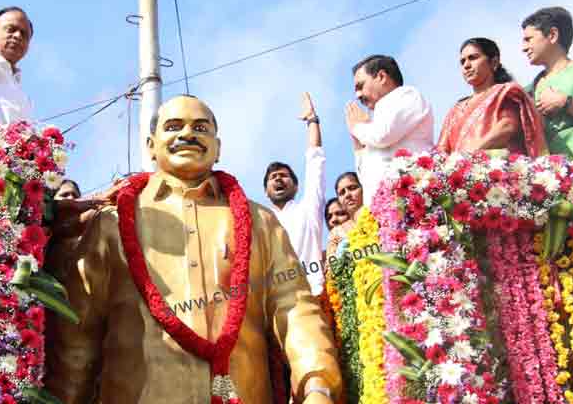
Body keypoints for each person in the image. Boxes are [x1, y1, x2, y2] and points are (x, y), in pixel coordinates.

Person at [46, 95, 342, 404]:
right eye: (174, 126)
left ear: (218, 147)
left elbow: (294, 306)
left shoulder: (260, 222)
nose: (187, 134)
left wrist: (317, 383)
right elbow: (76, 340)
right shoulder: (113, 223)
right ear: (150, 145)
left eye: (200, 127)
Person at [345, 55, 434, 206]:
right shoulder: (373, 121)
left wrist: (357, 127)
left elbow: (383, 135)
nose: (357, 95)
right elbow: (366, 175)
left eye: (360, 86)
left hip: (412, 203)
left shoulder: (407, 95)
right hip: (385, 213)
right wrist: (358, 144)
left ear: (381, 77)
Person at [437, 37, 547, 157]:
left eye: (473, 58)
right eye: (462, 61)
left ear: (494, 62)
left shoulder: (506, 92)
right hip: (457, 172)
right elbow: (441, 147)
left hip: (497, 170)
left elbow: (508, 126)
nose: (466, 65)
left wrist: (471, 152)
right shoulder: (456, 109)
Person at [263, 92, 327, 297]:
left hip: (312, 294)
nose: (278, 179)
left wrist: (312, 121)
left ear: (297, 186)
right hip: (275, 305)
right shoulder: (260, 223)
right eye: (273, 177)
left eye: (284, 176)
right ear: (266, 191)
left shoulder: (308, 209)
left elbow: (315, 160)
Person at [522, 6, 573, 159]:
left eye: (528, 39)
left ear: (552, 35)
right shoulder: (527, 91)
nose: (523, 48)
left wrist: (565, 102)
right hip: (547, 175)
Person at [325, 172, 364, 260]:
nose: (347, 195)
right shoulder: (336, 233)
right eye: (342, 193)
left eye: (352, 188)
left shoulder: (380, 216)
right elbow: (331, 269)